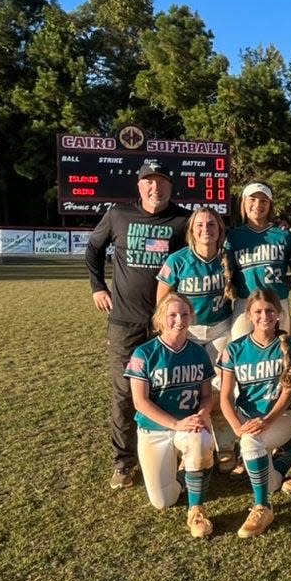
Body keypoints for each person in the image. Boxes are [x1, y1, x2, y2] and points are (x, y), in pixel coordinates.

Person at [86, 158, 191, 490]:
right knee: (124, 394)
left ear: (170, 187)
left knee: (170, 389)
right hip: (125, 323)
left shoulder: (182, 220)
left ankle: (174, 454)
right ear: (139, 186)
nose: (155, 187)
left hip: (167, 324)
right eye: (149, 181)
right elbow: (93, 248)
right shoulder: (119, 215)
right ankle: (124, 461)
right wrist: (97, 286)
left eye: (161, 181)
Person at [217, 288, 291, 538]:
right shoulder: (234, 349)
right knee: (272, 482)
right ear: (248, 315)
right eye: (258, 311)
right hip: (247, 421)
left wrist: (267, 420)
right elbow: (225, 396)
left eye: (270, 310)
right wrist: (237, 427)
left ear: (279, 314)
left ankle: (262, 506)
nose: (264, 316)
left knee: (250, 442)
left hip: (281, 419)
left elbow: (288, 393)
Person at [126, 292, 215, 538]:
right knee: (163, 501)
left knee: (202, 440)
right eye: (172, 315)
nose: (179, 320)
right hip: (155, 430)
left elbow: (207, 396)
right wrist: (175, 423)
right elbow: (139, 402)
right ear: (160, 319)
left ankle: (196, 508)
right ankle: (183, 471)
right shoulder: (144, 353)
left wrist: (201, 416)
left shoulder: (198, 352)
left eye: (184, 314)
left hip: (187, 425)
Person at [156, 207, 237, 472]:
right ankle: (187, 444)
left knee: (221, 389)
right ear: (191, 230)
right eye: (200, 225)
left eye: (211, 224)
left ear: (220, 229)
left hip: (220, 330)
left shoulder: (228, 258)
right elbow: (163, 302)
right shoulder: (177, 260)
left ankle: (224, 445)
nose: (206, 229)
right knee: (184, 388)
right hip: (187, 332)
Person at [225, 182, 291, 340]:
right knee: (241, 346)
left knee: (279, 350)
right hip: (245, 302)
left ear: (270, 205)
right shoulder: (233, 236)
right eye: (252, 199)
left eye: (263, 201)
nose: (257, 205)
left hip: (277, 301)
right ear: (243, 202)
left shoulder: (284, 236)